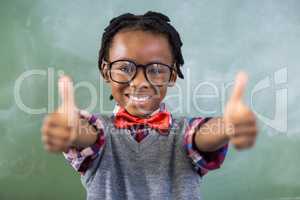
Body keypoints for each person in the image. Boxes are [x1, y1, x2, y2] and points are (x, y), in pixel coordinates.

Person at [41, 11, 258, 200]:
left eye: (155, 69)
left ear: (172, 75)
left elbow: (202, 136)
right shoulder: (99, 133)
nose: (140, 82)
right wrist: (71, 129)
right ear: (106, 72)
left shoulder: (185, 134)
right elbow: (88, 134)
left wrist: (227, 125)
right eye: (124, 68)